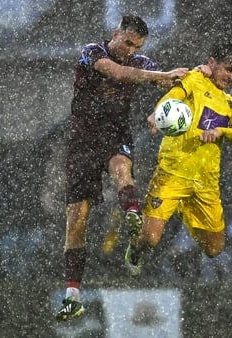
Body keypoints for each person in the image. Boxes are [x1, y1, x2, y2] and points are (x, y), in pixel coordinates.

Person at [54, 14, 191, 321]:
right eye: (127, 42)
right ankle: (72, 296)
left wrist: (194, 77)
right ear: (115, 34)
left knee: (121, 170)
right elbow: (116, 72)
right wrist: (160, 75)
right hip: (82, 142)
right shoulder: (93, 51)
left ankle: (131, 213)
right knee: (77, 222)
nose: (130, 50)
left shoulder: (141, 62)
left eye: (137, 46)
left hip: (114, 134)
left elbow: (173, 82)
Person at [124, 40, 232, 277]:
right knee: (150, 240)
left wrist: (222, 131)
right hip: (172, 174)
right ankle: (135, 248)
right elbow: (172, 96)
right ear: (212, 63)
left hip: (206, 183)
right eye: (228, 69)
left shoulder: (229, 103)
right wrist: (157, 113)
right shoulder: (194, 80)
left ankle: (184, 209)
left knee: (215, 249)